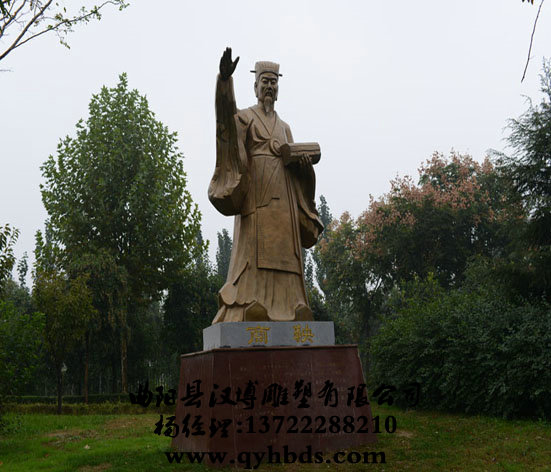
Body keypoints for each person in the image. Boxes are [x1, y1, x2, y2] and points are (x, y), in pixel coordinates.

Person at [209, 47, 323, 323]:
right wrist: (224, 81)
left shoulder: (285, 127)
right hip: (257, 194)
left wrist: (303, 167)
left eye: (274, 82)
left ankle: (292, 306)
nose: (269, 87)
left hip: (284, 198)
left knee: (286, 252)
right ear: (255, 87)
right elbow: (226, 123)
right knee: (253, 253)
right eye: (265, 82)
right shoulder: (246, 117)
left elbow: (293, 161)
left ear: (278, 88)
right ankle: (252, 303)